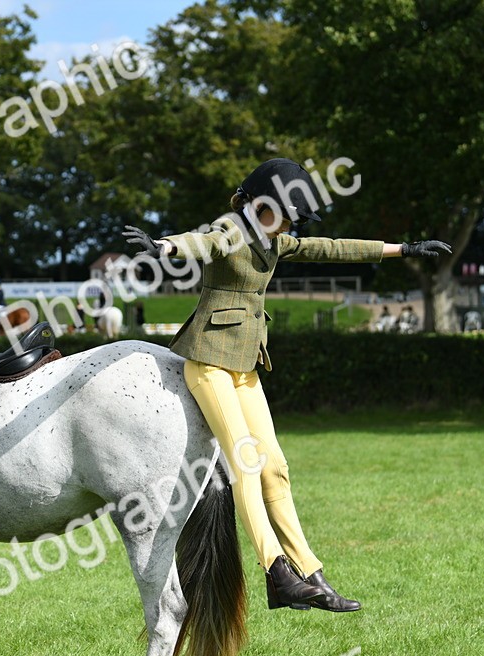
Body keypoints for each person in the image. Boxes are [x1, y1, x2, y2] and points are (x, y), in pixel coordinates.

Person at [124, 157, 451, 613]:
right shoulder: (232, 229)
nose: (289, 225)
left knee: (275, 465)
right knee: (246, 461)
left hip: (245, 365)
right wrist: (165, 247)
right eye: (284, 214)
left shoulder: (272, 238)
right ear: (259, 204)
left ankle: (309, 573)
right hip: (209, 361)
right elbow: (204, 242)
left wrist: (403, 249)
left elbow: (330, 248)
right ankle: (275, 570)